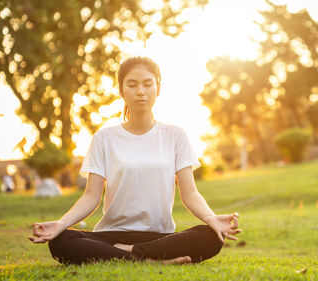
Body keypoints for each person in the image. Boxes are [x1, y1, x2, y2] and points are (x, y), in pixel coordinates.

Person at [28, 56, 241, 265]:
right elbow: (91, 196)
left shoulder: (175, 135)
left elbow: (190, 193)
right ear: (121, 90)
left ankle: (129, 254)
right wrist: (61, 224)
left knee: (211, 236)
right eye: (132, 84)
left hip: (160, 236)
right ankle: (150, 260)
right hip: (111, 236)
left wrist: (212, 219)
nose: (140, 91)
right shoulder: (104, 138)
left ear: (158, 88)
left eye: (148, 84)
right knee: (61, 241)